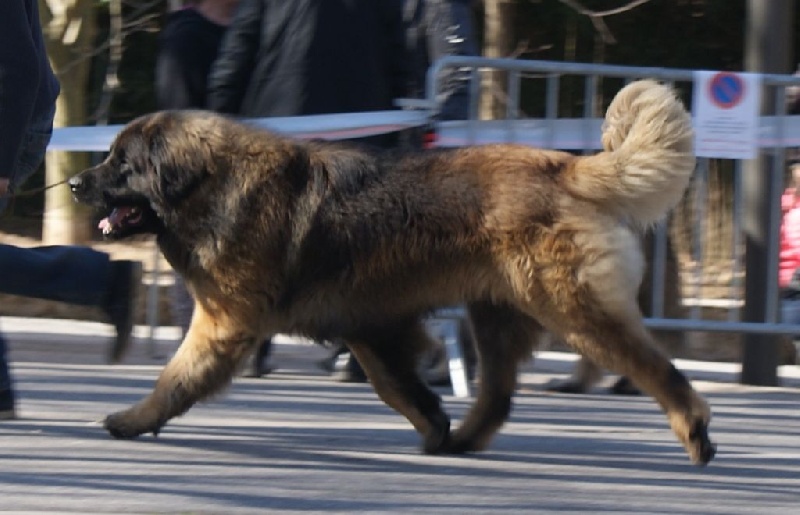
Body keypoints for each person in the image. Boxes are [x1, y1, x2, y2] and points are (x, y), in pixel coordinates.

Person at [207, 0, 409, 382]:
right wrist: (400, 129)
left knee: (264, 240)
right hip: (360, 132)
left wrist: (220, 120)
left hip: (277, 128)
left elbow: (237, 53)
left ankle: (251, 344)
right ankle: (355, 352)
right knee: (354, 247)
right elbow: (399, 53)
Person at [0, 0, 140, 420]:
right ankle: (100, 280)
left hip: (13, 125)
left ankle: (101, 279)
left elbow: (19, 69)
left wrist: (1, 165)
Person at [153, 0, 278, 378]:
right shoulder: (186, 36)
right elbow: (177, 116)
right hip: (201, 177)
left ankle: (250, 343)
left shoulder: (261, 29)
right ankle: (198, 346)